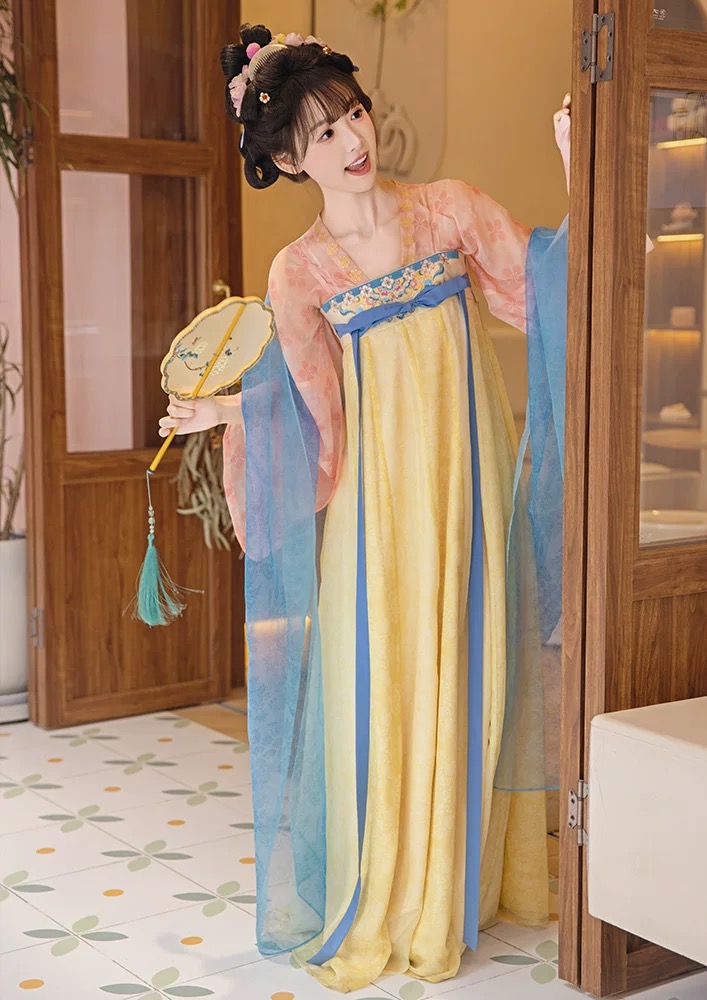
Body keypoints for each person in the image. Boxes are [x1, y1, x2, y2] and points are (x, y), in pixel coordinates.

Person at [159, 23, 570, 993]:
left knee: (470, 664)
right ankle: (392, 884)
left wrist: (576, 165)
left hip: (466, 487)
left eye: (353, 114)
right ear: (287, 161)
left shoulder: (449, 208)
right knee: (380, 682)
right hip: (376, 511)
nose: (351, 140)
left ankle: (460, 884)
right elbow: (310, 406)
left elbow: (546, 288)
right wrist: (226, 408)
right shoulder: (299, 272)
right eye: (323, 132)